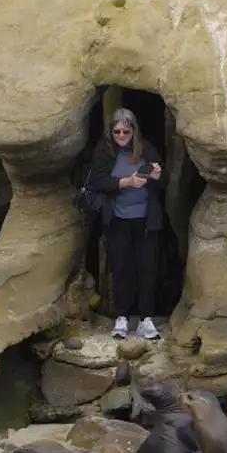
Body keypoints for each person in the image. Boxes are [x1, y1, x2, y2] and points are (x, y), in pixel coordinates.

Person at [85, 107, 168, 340]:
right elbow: (98, 181)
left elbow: (164, 180)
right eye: (117, 131)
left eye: (126, 131)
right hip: (118, 219)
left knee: (147, 268)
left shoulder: (146, 149)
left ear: (134, 131)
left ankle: (146, 319)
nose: (121, 136)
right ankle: (122, 317)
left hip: (145, 220)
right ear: (111, 132)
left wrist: (157, 175)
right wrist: (126, 181)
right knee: (121, 268)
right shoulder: (105, 150)